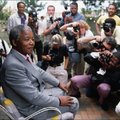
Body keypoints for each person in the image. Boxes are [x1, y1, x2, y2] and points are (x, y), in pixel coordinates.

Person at [0, 25, 79, 120]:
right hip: (30, 109)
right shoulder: (12, 65)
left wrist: (58, 83)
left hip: (36, 96)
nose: (31, 43)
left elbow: (39, 71)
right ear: (14, 42)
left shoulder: (21, 56)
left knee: (63, 91)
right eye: (27, 39)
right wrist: (58, 101)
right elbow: (34, 97)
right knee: (74, 102)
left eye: (33, 39)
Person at [67, 37, 120, 111]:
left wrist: (108, 65)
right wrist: (99, 54)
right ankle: (76, 93)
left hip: (104, 82)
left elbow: (113, 80)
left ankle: (102, 100)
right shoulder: (99, 53)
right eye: (102, 46)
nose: (103, 49)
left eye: (106, 48)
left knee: (104, 89)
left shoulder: (116, 58)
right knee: (74, 80)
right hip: (93, 78)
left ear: (111, 50)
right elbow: (86, 57)